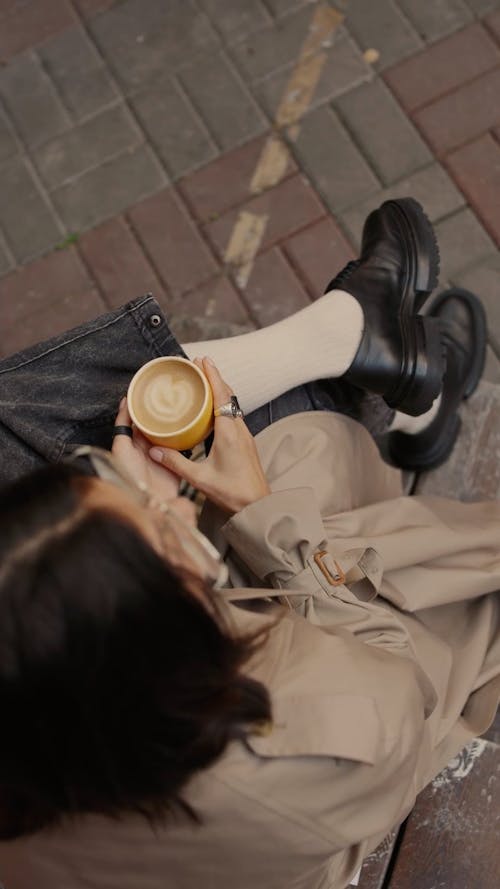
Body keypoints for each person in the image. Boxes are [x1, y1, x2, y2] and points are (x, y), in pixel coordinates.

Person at [0, 199, 497, 889]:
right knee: (298, 431)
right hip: (362, 710)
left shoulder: (51, 727)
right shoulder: (296, 741)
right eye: (161, 529)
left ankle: (364, 343)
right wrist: (264, 515)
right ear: (160, 625)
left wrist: (149, 514)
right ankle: (400, 389)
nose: (164, 502)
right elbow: (398, 684)